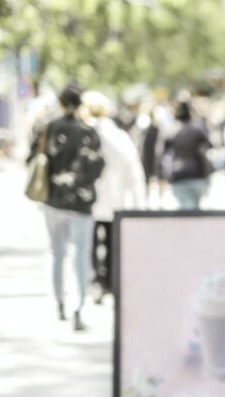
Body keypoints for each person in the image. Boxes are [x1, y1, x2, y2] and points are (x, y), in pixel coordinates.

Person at [28, 84, 105, 331]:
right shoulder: (89, 132)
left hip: (53, 200)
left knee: (56, 253)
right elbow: (97, 167)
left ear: (60, 103)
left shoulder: (48, 128)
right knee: (80, 256)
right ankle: (78, 306)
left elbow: (33, 159)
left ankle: (59, 301)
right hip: (81, 203)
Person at [81, 91, 147, 303]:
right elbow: (134, 170)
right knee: (111, 241)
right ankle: (108, 280)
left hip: (89, 199)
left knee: (89, 242)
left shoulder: (84, 133)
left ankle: (95, 281)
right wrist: (139, 203)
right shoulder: (118, 135)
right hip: (115, 198)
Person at [162, 101, 212, 209]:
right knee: (193, 209)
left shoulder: (171, 131)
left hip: (179, 175)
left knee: (186, 209)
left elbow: (163, 155)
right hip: (196, 175)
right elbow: (206, 151)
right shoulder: (197, 131)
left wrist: (162, 176)